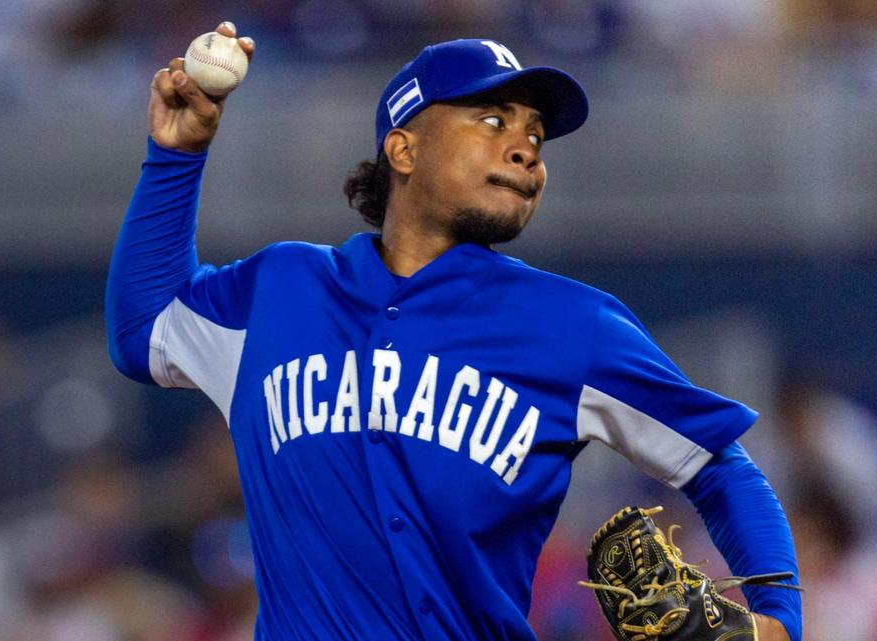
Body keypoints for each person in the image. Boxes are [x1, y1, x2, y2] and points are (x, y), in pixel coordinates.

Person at [106, 22, 802, 641]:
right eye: (492, 120)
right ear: (403, 148)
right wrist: (177, 154)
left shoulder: (572, 325)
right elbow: (144, 331)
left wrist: (778, 624)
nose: (527, 148)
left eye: (535, 133)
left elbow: (719, 466)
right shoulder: (280, 290)